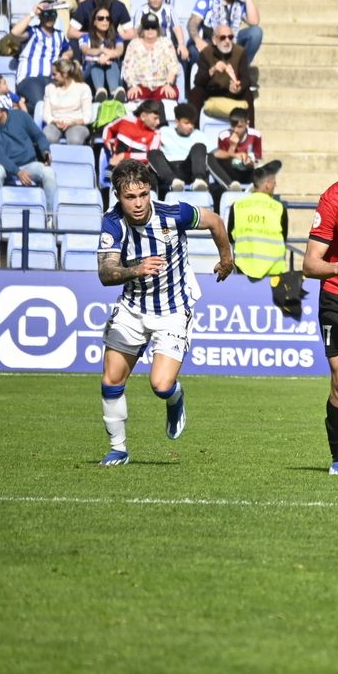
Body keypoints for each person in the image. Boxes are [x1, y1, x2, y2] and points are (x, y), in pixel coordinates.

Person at [94, 158, 233, 466]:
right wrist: (137, 269)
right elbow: (105, 273)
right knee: (111, 381)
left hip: (172, 309)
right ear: (118, 196)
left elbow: (215, 221)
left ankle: (174, 396)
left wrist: (226, 259)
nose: (139, 203)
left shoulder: (174, 214)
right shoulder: (112, 222)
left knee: (160, 385)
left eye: (143, 194)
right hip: (132, 309)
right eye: (130, 197)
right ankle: (118, 449)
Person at [0, 99, 58, 209]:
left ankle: (50, 215)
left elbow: (38, 136)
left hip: (30, 164)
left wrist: (45, 150)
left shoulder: (21, 116)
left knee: (48, 172)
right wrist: (18, 172)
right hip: (6, 167)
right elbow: (0, 157)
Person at [225, 160, 288, 279]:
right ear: (267, 184)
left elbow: (231, 237)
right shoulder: (279, 208)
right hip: (273, 274)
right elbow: (283, 238)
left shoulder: (237, 206)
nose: (275, 186)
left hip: (243, 271)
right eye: (274, 183)